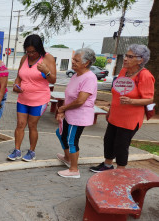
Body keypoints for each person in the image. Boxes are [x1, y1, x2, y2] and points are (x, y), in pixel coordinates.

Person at [90, 44, 155, 172]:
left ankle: (120, 172)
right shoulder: (123, 71)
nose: (125, 59)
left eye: (130, 56)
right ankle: (107, 165)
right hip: (115, 115)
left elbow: (150, 99)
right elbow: (116, 93)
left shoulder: (145, 75)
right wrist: (110, 111)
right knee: (108, 141)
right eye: (126, 55)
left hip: (130, 119)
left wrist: (132, 101)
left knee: (121, 145)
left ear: (140, 60)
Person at [8, 34, 56, 161]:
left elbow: (53, 80)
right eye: (28, 51)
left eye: (33, 52)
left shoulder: (47, 58)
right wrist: (16, 85)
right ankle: (17, 150)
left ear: (39, 49)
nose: (30, 54)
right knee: (20, 124)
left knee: (32, 125)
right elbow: (19, 76)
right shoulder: (24, 58)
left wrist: (46, 71)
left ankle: (31, 152)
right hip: (23, 98)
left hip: (39, 100)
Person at [55, 48, 97, 178]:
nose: (73, 62)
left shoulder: (89, 77)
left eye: (76, 60)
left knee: (71, 140)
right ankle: (68, 159)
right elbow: (70, 96)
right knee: (60, 133)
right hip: (70, 113)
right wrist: (63, 110)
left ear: (86, 63)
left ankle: (74, 170)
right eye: (73, 59)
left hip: (79, 115)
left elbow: (80, 101)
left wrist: (62, 109)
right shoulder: (76, 75)